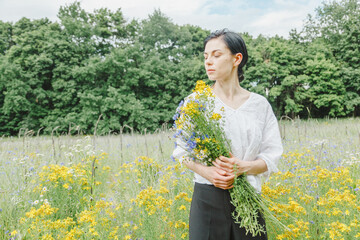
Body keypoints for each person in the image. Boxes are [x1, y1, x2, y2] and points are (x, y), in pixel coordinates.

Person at [172, 29, 283, 240]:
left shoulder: (259, 105)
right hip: (207, 198)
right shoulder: (195, 103)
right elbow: (181, 152)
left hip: (248, 199)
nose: (208, 62)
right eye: (205, 57)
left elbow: (271, 155)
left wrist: (244, 167)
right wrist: (207, 172)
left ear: (236, 59)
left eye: (216, 55)